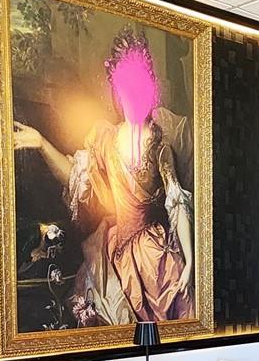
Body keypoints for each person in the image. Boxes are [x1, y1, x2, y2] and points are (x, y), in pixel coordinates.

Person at [12, 28, 195, 327]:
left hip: (155, 257)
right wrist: (42, 144)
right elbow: (76, 179)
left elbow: (177, 205)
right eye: (124, 87)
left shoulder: (159, 145)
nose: (130, 96)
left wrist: (188, 262)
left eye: (137, 86)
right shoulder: (106, 140)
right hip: (115, 256)